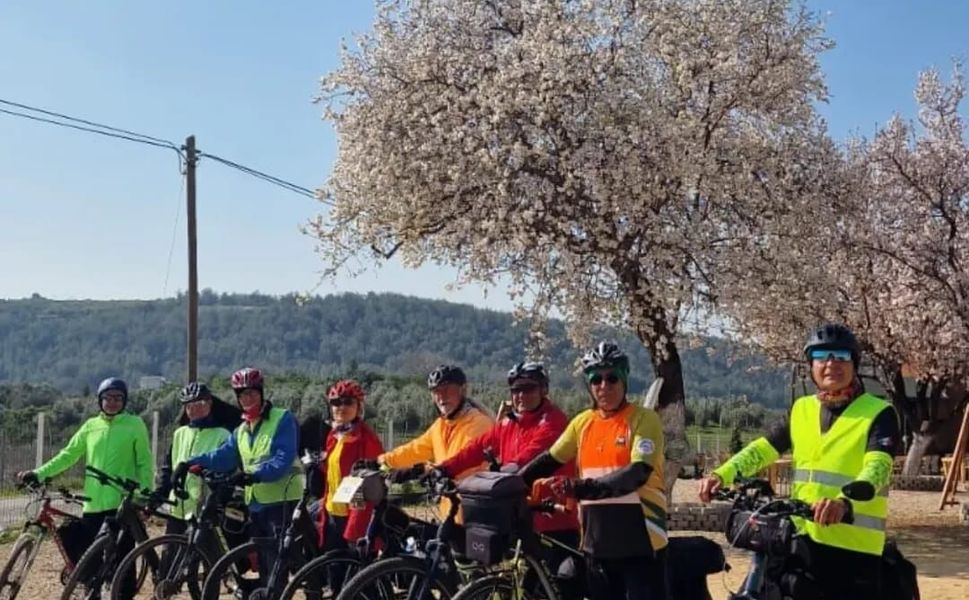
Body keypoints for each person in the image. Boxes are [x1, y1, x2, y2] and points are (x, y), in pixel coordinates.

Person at [698, 323, 898, 599]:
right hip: (800, 538)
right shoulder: (801, 408)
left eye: (841, 356)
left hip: (853, 547)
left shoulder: (879, 412)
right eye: (821, 357)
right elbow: (763, 448)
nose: (831, 364)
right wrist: (722, 474)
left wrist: (844, 501)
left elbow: (879, 466)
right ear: (811, 366)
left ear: (854, 363)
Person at [520, 342, 669, 600]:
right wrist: (512, 483)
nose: (604, 386)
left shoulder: (644, 419)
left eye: (612, 378)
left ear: (624, 380)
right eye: (596, 379)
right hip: (597, 545)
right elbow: (549, 459)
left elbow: (637, 474)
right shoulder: (583, 423)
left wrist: (579, 488)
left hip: (641, 545)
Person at [436, 361, 579, 578]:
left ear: (543, 389)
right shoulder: (508, 423)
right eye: (515, 390)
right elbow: (475, 449)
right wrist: (444, 469)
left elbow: (530, 459)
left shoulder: (553, 421)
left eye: (528, 388)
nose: (520, 395)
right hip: (518, 516)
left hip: (553, 520)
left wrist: (498, 475)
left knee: (560, 585)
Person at [19, 377, 153, 600]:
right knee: (81, 551)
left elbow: (145, 464)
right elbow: (68, 455)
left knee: (123, 564)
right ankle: (93, 589)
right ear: (100, 400)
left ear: (125, 400)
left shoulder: (134, 424)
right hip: (93, 505)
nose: (112, 402)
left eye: (118, 398)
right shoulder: (91, 426)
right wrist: (39, 473)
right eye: (108, 398)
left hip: (121, 505)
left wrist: (144, 495)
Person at [178, 367, 303, 576]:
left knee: (277, 568)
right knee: (264, 566)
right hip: (255, 504)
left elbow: (282, 459)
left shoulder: (282, 419)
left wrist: (253, 474)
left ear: (261, 393)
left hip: (281, 502)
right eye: (242, 394)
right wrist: (190, 463)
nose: (247, 398)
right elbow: (222, 455)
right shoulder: (242, 429)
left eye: (252, 393)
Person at [377, 364, 493, 516]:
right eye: (436, 391)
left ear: (463, 390)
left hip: (476, 512)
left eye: (447, 389)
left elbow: (463, 461)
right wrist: (381, 461)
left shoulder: (480, 423)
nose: (441, 397)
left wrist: (425, 471)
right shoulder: (441, 426)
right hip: (450, 512)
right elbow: (415, 449)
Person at [153, 382, 240, 534]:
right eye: (189, 406)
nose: (194, 409)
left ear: (210, 403)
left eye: (199, 403)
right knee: (169, 556)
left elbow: (227, 471)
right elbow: (169, 468)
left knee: (205, 556)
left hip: (203, 510)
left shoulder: (223, 435)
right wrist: (159, 495)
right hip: (177, 509)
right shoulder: (180, 433)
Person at [310, 379, 384, 551]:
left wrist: (354, 530)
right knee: (331, 571)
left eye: (348, 402)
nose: (341, 407)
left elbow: (366, 486)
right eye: (335, 402)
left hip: (352, 517)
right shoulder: (334, 436)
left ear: (359, 407)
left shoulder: (366, 439)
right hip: (331, 512)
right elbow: (334, 471)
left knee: (351, 573)